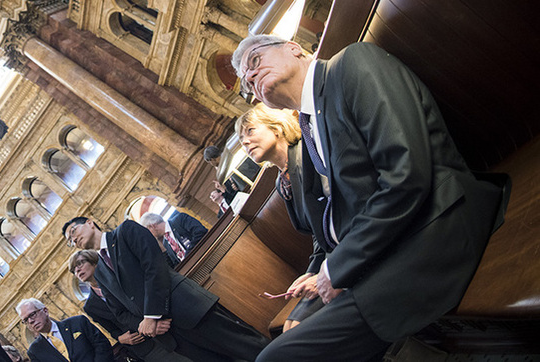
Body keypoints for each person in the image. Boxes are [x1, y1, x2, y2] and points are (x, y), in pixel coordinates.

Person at [232, 35, 509, 361]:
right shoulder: (309, 122)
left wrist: (338, 267)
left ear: (293, 47)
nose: (250, 78)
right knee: (286, 338)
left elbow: (406, 176)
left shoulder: (350, 65)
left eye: (254, 60)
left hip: (435, 226)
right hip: (387, 248)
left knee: (277, 358)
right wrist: (325, 267)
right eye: (245, 84)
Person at [63, 216, 268, 362]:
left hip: (187, 309)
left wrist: (152, 316)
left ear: (90, 223)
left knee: (251, 348)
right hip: (169, 335)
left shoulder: (126, 231)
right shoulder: (100, 273)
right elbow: (120, 312)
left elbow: (155, 268)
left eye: (73, 231)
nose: (73, 240)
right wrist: (147, 325)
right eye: (69, 241)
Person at [235, 103, 325, 331]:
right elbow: (317, 233)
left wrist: (325, 272)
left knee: (295, 331)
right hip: (330, 257)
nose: (244, 142)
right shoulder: (281, 181)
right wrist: (311, 272)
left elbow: (341, 217)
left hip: (350, 252)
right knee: (290, 327)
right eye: (241, 138)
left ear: (275, 128)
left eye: (250, 131)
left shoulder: (308, 153)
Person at [69, 250, 193, 362]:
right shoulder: (90, 306)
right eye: (74, 270)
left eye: (79, 264)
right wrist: (120, 338)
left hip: (164, 324)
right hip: (145, 345)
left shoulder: (118, 276)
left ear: (93, 262)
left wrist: (153, 322)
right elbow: (111, 329)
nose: (77, 271)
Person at [16, 297, 111, 362]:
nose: (30, 321)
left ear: (45, 311)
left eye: (32, 315)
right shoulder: (34, 351)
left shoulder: (77, 322)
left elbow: (102, 345)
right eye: (25, 320)